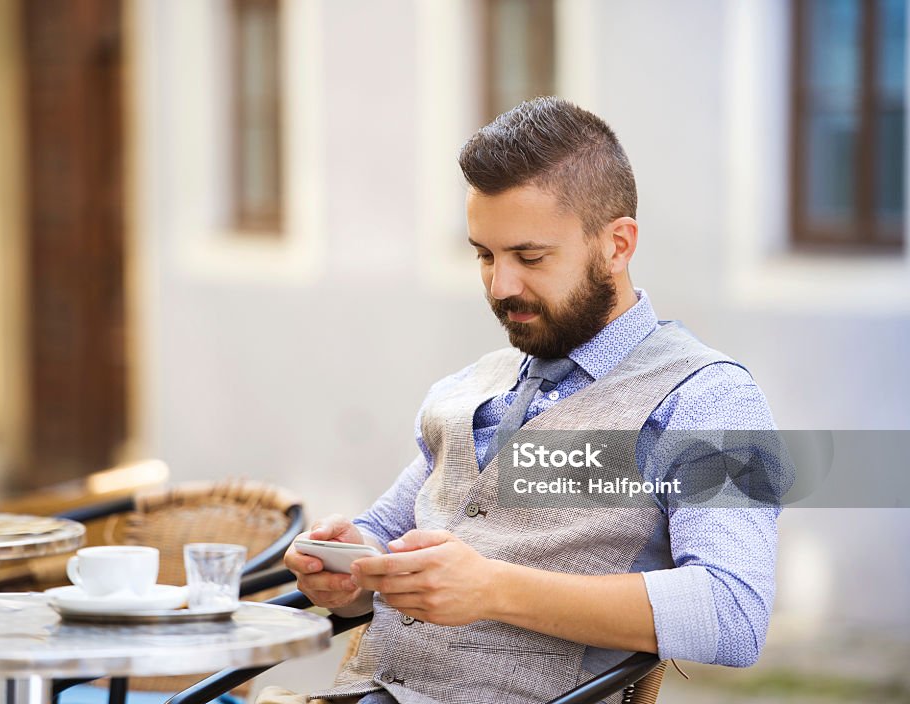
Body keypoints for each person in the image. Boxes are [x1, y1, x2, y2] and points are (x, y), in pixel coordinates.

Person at [263, 97, 783, 704]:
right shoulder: (469, 388)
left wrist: (492, 589)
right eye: (484, 255)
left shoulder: (710, 400)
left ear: (617, 245)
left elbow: (734, 611)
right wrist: (349, 568)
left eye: (530, 257)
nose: (501, 286)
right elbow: (384, 532)